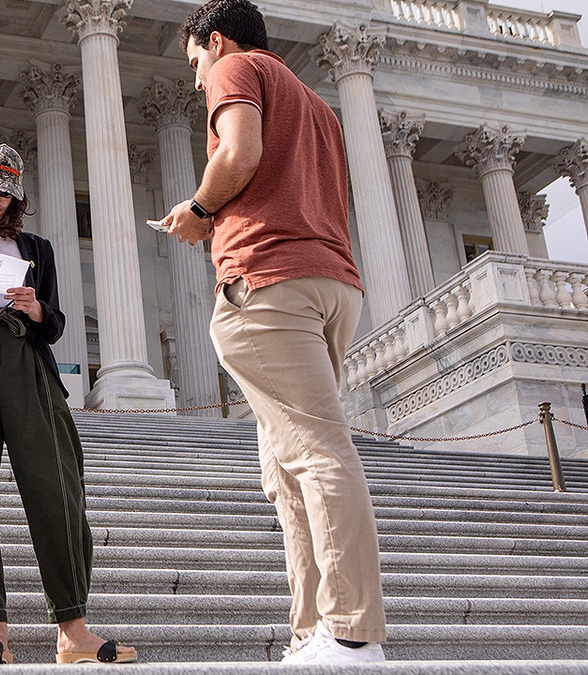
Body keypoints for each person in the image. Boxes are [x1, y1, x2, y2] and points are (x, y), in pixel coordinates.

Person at [154, 0, 387, 664]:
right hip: (332, 283)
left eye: (195, 61)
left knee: (315, 454)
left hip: (269, 283)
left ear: (215, 41)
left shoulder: (237, 68)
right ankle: (312, 629)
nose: (198, 79)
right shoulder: (316, 106)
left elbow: (241, 150)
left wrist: (199, 209)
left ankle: (351, 631)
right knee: (285, 471)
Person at [0, 143, 137, 665]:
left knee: (57, 488)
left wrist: (37, 308)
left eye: (6, 198)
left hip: (25, 364)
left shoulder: (36, 246)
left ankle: (72, 628)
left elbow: (56, 326)